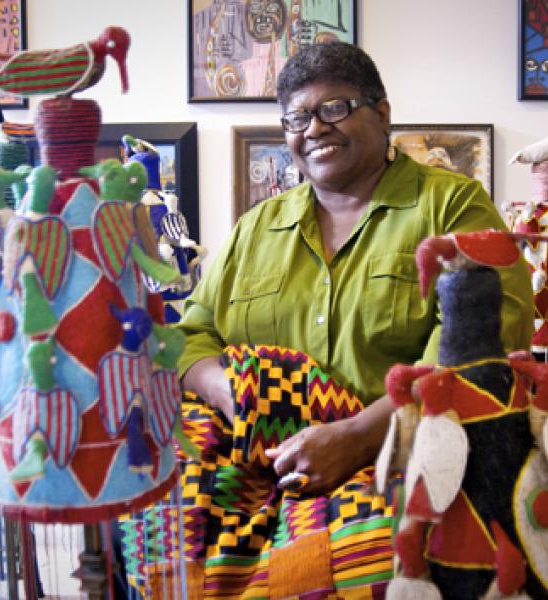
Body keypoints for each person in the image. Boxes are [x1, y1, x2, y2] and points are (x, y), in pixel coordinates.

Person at [122, 42, 534, 598]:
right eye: (296, 116)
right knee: (162, 537)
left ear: (382, 114)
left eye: (334, 108)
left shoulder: (452, 208)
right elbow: (192, 337)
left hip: (395, 456)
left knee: (365, 565)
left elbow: (477, 351)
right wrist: (234, 391)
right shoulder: (255, 228)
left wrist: (356, 437)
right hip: (254, 459)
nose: (313, 127)